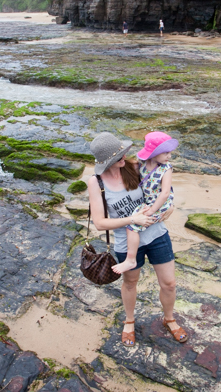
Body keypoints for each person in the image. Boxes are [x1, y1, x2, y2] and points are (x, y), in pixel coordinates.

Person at [88, 132, 188, 347]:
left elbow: (162, 186)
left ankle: (169, 318)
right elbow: (99, 223)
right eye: (119, 156)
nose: (125, 157)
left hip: (156, 234)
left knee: (169, 283)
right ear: (106, 161)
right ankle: (129, 321)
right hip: (126, 242)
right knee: (130, 282)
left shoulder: (134, 167)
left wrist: (171, 205)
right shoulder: (96, 182)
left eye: (123, 153)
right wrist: (132, 219)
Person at [112, 131, 177, 275]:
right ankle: (131, 259)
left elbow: (165, 193)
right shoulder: (141, 163)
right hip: (148, 203)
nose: (169, 156)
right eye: (166, 153)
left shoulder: (166, 168)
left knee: (132, 226)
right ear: (154, 153)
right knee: (133, 223)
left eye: (169, 153)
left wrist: (153, 210)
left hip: (159, 204)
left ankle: (130, 260)